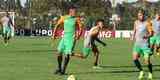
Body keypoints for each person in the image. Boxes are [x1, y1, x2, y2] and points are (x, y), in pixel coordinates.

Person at [53, 6, 82, 75]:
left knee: (67, 54)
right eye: (74, 12)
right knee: (59, 52)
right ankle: (59, 68)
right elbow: (57, 25)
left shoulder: (77, 19)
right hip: (64, 37)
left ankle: (63, 70)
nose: (75, 13)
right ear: (70, 12)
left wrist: (78, 36)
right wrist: (54, 34)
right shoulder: (64, 18)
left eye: (76, 12)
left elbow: (81, 28)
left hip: (71, 39)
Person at [131, 10, 154, 80]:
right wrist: (132, 36)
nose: (140, 16)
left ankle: (150, 73)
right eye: (139, 15)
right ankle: (141, 71)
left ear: (144, 15)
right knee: (134, 58)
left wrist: (147, 36)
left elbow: (151, 33)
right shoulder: (136, 22)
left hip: (145, 44)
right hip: (137, 44)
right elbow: (134, 30)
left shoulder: (147, 23)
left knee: (147, 61)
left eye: (141, 15)